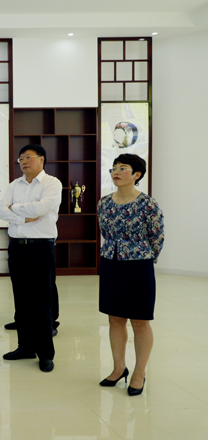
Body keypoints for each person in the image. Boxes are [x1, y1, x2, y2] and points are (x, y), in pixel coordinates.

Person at [97, 153, 164, 396]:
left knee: (140, 320)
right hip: (111, 263)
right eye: (114, 168)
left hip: (139, 265)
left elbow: (157, 237)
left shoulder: (148, 203)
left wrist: (143, 255)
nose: (116, 171)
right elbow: (105, 232)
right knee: (115, 318)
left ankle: (139, 373)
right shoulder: (104, 203)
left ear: (137, 175)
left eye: (122, 168)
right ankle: (119, 368)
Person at [0, 144, 62, 372]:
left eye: (28, 157)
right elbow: (1, 210)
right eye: (20, 158)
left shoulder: (52, 183)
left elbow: (41, 209)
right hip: (17, 247)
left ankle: (45, 353)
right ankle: (25, 347)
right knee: (21, 300)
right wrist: (22, 218)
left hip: (41, 248)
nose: (23, 162)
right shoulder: (14, 184)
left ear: (41, 159)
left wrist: (15, 208)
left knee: (41, 301)